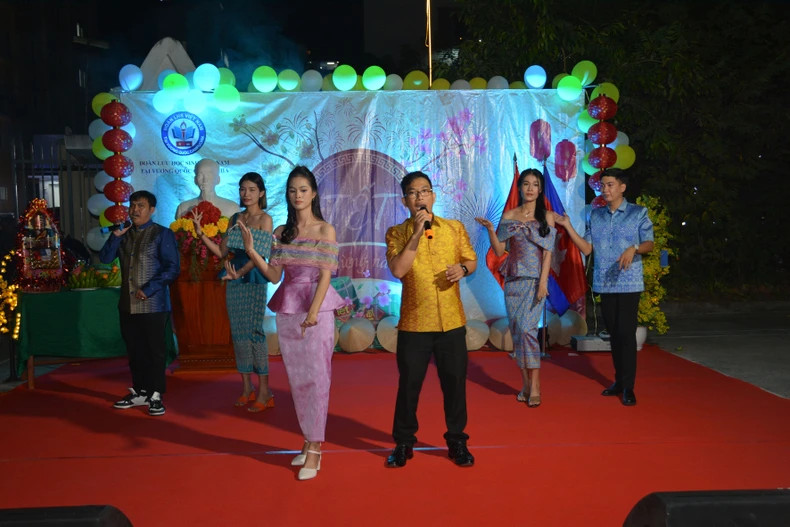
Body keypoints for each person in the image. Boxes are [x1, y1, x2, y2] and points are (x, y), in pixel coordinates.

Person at [227, 165, 343, 481]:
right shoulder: (282, 232)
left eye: (303, 190)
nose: (297, 195)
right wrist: (252, 250)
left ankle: (316, 447)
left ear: (314, 193)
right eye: (292, 190)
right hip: (288, 308)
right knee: (298, 381)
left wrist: (314, 313)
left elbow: (325, 276)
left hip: (315, 312)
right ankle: (308, 440)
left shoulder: (325, 230)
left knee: (318, 379)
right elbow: (275, 276)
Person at [384, 171, 477, 468]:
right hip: (414, 323)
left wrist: (462, 270)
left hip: (451, 321)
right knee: (409, 385)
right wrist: (416, 232)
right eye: (413, 193)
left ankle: (457, 441)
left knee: (455, 384)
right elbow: (398, 270)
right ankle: (403, 443)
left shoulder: (453, 228)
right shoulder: (397, 233)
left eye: (425, 191)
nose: (420, 196)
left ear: (434, 196)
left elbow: (470, 259)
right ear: (405, 200)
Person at [554, 168, 654, 406]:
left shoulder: (638, 213)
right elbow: (587, 249)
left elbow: (649, 243)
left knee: (626, 335)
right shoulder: (595, 215)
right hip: (604, 283)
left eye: (610, 185)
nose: (605, 189)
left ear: (622, 187)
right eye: (603, 186)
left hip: (629, 283)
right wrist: (568, 226)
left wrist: (634, 248)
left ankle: (629, 387)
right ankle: (619, 381)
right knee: (614, 336)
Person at [191, 172, 274, 412]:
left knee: (255, 332)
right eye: (242, 189)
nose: (246, 194)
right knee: (238, 333)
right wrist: (200, 233)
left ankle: (265, 391)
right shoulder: (235, 218)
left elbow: (260, 255)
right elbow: (220, 252)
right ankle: (247, 388)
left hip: (255, 277)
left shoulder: (264, 219)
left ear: (261, 193)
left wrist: (241, 272)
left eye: (251, 189)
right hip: (233, 277)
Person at [475, 168, 555, 408]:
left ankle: (537, 386)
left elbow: (548, 253)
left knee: (530, 332)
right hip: (513, 281)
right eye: (526, 184)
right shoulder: (509, 215)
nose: (530, 188)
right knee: (519, 333)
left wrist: (543, 282)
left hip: (534, 282)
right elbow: (500, 252)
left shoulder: (547, 217)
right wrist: (491, 230)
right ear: (520, 188)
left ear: (540, 190)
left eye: (535, 185)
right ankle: (525, 385)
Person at [100, 190, 180, 416]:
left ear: (152, 210)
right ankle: (140, 392)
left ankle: (156, 395)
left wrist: (149, 289)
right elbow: (105, 258)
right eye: (132, 205)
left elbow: (172, 268)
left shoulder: (162, 234)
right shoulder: (123, 233)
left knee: (155, 351)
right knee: (135, 351)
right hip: (127, 304)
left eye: (141, 206)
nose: (135, 210)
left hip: (153, 305)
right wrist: (115, 236)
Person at [175, 158, 240, 219]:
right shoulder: (183, 208)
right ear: (195, 180)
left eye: (210, 175)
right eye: (200, 175)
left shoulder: (232, 208)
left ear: (218, 179)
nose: (205, 180)